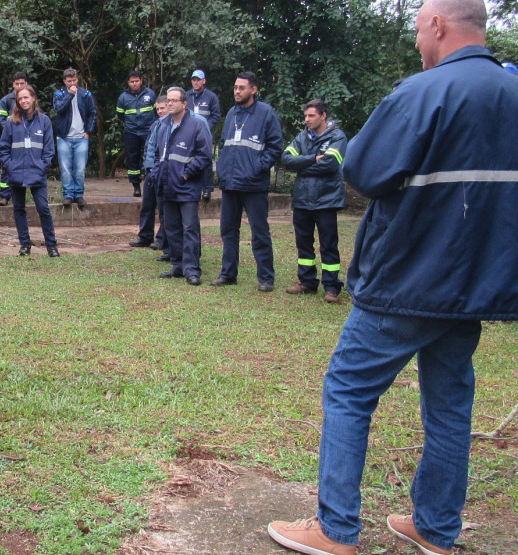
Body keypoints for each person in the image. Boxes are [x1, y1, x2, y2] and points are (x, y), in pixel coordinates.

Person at [267, 1, 518, 554]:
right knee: (450, 404)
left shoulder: (422, 92)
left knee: (349, 388)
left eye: (417, 29)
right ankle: (436, 527)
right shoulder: (512, 93)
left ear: (437, 25)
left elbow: (363, 169)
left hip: (407, 280)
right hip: (473, 288)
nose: (415, 42)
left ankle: (335, 529)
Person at [212, 71, 283, 292]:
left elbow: (275, 146)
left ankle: (266, 278)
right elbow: (224, 144)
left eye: (242, 87)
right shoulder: (232, 113)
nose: (237, 91)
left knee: (259, 231)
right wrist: (222, 169)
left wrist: (257, 167)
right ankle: (228, 274)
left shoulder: (266, 113)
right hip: (230, 183)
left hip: (253, 184)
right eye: (235, 87)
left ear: (254, 89)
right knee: (228, 231)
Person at [281, 99, 347, 303]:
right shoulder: (302, 137)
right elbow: (286, 160)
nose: (307, 120)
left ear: (323, 116)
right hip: (302, 199)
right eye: (305, 116)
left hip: (326, 199)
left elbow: (329, 164)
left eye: (311, 116)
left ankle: (331, 287)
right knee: (303, 244)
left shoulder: (337, 136)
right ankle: (307, 282)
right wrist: (312, 159)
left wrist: (303, 164)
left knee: (328, 244)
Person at [150, 87, 212, 286]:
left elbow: (204, 155)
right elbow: (159, 154)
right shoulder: (163, 126)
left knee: (189, 229)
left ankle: (192, 269)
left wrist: (186, 174)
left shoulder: (196, 125)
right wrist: (156, 174)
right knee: (172, 228)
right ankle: (177, 265)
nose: (169, 104)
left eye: (174, 100)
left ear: (184, 104)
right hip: (166, 186)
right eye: (168, 100)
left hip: (187, 187)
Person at [0, 85, 60, 257]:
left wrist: (42, 166)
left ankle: (51, 245)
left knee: (43, 208)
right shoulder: (11, 122)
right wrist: (10, 166)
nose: (24, 101)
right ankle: (25, 244)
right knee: (19, 209)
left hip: (36, 173)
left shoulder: (44, 121)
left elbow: (49, 150)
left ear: (33, 98)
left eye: (27, 97)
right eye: (20, 98)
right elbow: (3, 149)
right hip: (16, 173)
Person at [130, 97, 169, 254]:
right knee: (147, 205)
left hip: (162, 172)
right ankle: (145, 236)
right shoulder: (155, 125)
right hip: (150, 171)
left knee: (163, 207)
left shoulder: (171, 125)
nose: (160, 111)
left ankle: (162, 238)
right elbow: (148, 148)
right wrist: (147, 167)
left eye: (162, 108)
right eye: (158, 109)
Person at [53, 68, 97, 206]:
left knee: (80, 169)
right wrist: (70, 95)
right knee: (65, 168)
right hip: (64, 137)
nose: (72, 83)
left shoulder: (85, 94)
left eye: (74, 80)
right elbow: (58, 109)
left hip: (81, 137)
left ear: (77, 79)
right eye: (69, 81)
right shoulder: (59, 94)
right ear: (64, 81)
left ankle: (78, 195)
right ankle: (68, 195)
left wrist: (88, 131)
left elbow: (92, 113)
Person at [116, 71, 156, 197]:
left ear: (141, 81)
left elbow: (157, 111)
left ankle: (150, 184)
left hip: (148, 131)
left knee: (150, 156)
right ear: (128, 83)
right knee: (132, 159)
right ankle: (136, 186)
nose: (134, 84)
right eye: (132, 82)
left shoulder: (150, 94)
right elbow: (120, 115)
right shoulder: (123, 98)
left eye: (137, 81)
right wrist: (131, 124)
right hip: (131, 132)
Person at [186, 69, 221, 201]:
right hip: (189, 133)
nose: (195, 82)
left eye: (198, 80)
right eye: (193, 80)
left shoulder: (211, 96)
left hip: (205, 134)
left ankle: (207, 189)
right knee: (190, 159)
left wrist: (205, 127)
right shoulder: (187, 96)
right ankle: (191, 185)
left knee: (205, 159)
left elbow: (216, 115)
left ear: (204, 81)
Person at [0, 71, 29, 206]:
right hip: (9, 140)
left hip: (25, 141)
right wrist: (11, 131)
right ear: (13, 84)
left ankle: (19, 196)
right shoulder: (6, 100)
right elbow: (0, 118)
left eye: (22, 83)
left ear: (26, 84)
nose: (19, 86)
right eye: (17, 84)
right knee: (7, 166)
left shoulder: (29, 99)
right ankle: (4, 195)